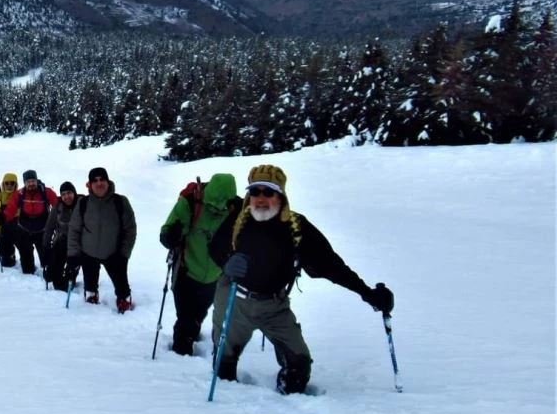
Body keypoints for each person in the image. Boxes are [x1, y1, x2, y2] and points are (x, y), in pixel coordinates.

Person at [209, 164, 394, 395]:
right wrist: (227, 262)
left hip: (274, 307)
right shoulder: (237, 221)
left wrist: (367, 293)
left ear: (281, 195)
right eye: (255, 191)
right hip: (234, 302)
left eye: (269, 192)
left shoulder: (297, 228)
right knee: (223, 367)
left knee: (299, 364)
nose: (261, 198)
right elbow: (215, 248)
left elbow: (331, 265)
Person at [159, 173, 239, 356]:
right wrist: (170, 235)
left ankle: (192, 330)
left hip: (215, 274)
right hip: (185, 270)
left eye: (222, 207)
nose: (217, 210)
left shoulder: (237, 209)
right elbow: (167, 231)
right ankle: (180, 352)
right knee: (185, 315)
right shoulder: (190, 202)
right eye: (211, 206)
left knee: (200, 311)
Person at [66, 167, 137, 313]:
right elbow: (74, 230)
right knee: (90, 285)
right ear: (90, 184)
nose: (99, 183)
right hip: (88, 253)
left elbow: (130, 230)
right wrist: (73, 255)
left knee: (122, 285)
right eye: (95, 181)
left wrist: (124, 254)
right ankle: (91, 297)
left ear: (107, 181)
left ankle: (124, 300)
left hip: (114, 253)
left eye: (102, 179)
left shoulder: (120, 202)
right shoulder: (83, 203)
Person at [0, 170, 58, 274]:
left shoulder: (46, 192)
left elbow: (57, 206)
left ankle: (49, 271)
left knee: (47, 260)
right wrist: (3, 216)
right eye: (28, 181)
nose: (31, 184)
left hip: (42, 230)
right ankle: (29, 271)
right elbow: (11, 208)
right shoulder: (20, 194)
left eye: (33, 181)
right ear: (24, 183)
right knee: (26, 265)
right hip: (24, 230)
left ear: (36, 181)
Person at [43, 181, 80, 291]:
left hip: (79, 244)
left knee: (70, 272)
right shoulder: (57, 207)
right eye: (63, 194)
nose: (66, 197)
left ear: (74, 193)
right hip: (62, 241)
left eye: (69, 193)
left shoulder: (82, 205)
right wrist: (46, 247)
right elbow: (49, 228)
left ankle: (72, 275)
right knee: (53, 277)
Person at [0, 173, 19, 268]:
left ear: (16, 184)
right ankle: (8, 257)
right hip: (4, 227)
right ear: (3, 184)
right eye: (7, 183)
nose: (9, 185)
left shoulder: (19, 196)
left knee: (25, 250)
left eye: (12, 183)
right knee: (6, 260)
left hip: (18, 227)